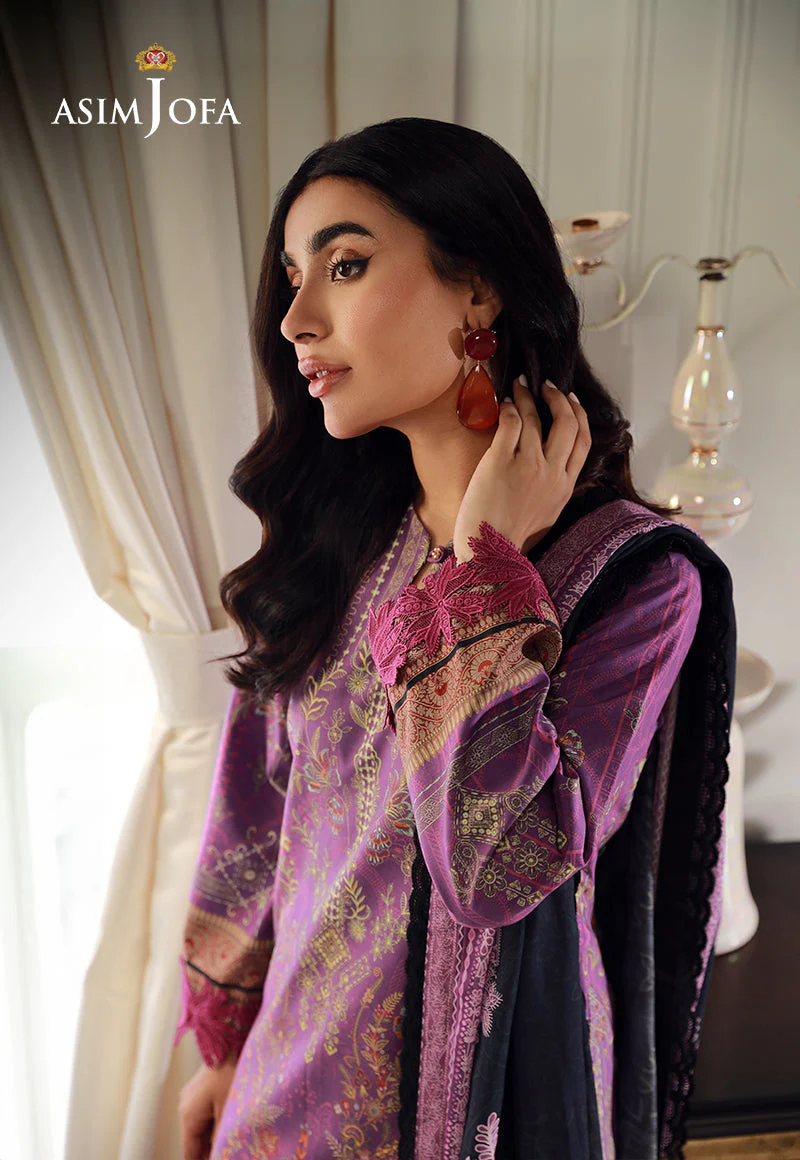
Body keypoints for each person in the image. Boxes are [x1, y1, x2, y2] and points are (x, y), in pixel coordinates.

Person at [174, 117, 736, 1160]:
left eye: (344, 265)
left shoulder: (635, 579)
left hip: (485, 1106)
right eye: (292, 277)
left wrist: (484, 564)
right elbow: (258, 807)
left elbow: (499, 868)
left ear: (476, 289)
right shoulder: (339, 541)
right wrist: (221, 1044)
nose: (296, 318)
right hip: (282, 1079)